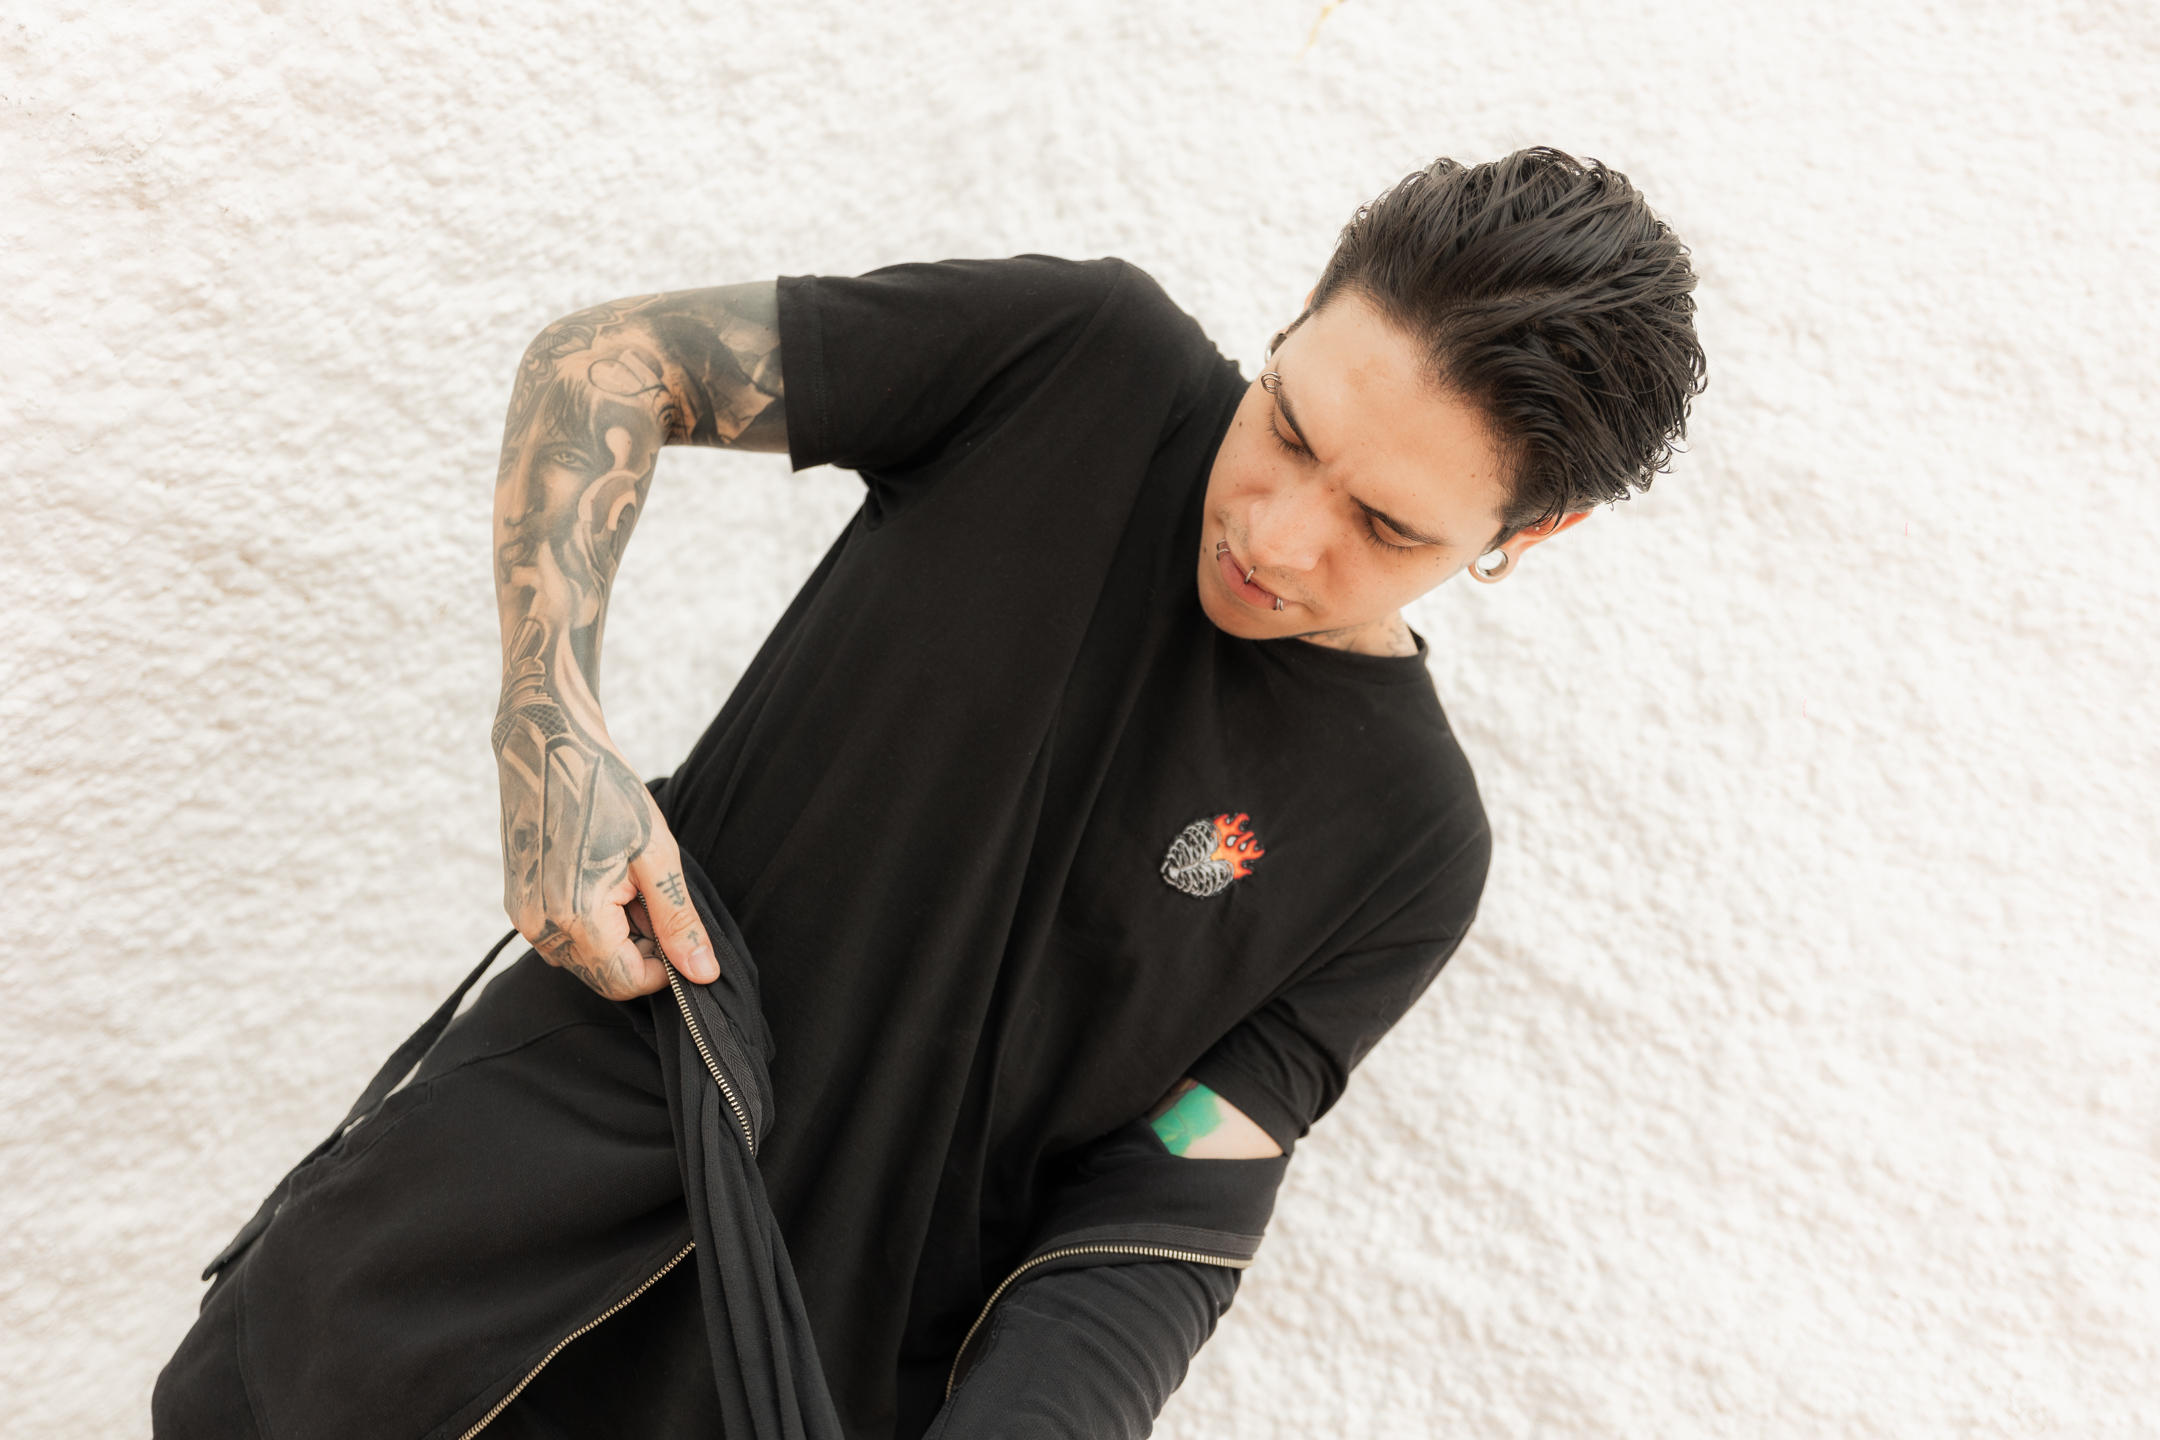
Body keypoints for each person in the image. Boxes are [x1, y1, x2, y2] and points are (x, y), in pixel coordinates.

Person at [155, 146, 1705, 1438]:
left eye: (1386, 525)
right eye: (1288, 427)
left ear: (1529, 535)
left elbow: (1172, 1199)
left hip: (804, 1388)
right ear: (1298, 313)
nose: (1279, 534)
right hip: (463, 1267)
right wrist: (549, 734)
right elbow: (607, 364)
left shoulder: (1409, 848)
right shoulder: (1078, 363)